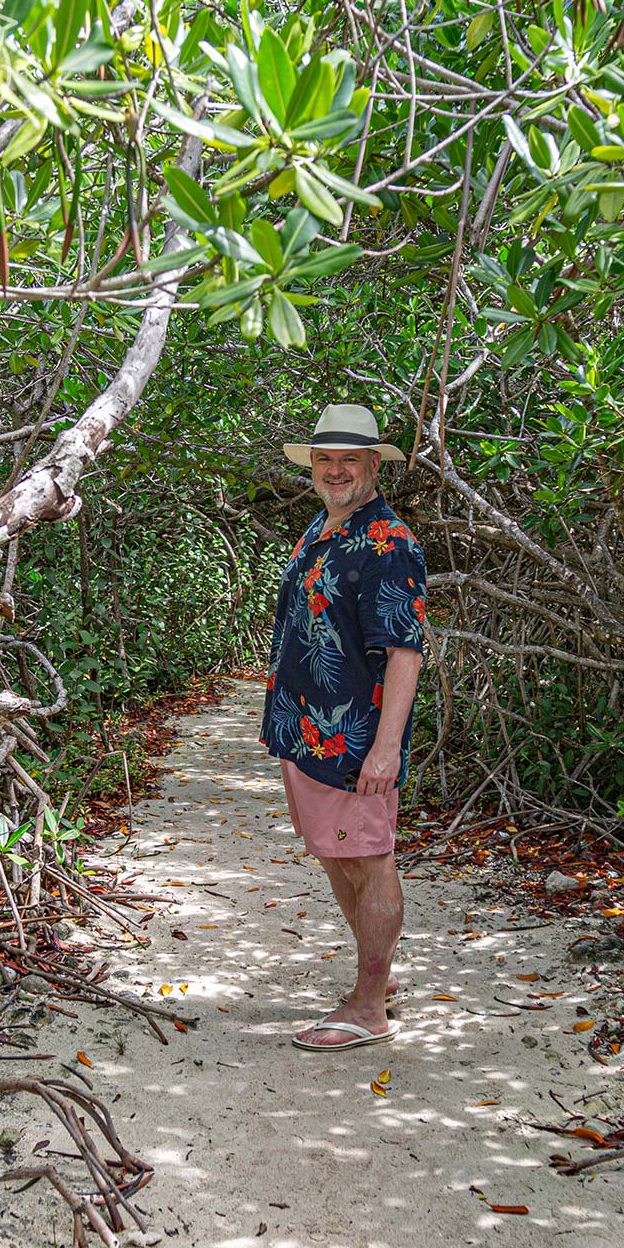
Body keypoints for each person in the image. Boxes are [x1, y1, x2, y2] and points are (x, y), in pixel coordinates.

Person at [260, 404, 428, 1050]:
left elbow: (405, 651)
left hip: (352, 742)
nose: (334, 469)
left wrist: (385, 751)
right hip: (304, 734)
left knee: (369, 858)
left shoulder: (389, 542)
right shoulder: (326, 525)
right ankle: (375, 983)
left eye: (348, 460)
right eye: (325, 459)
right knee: (338, 856)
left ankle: (368, 1009)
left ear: (373, 466)